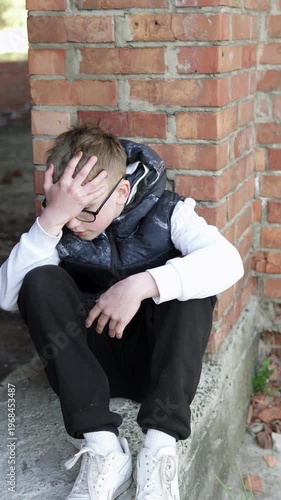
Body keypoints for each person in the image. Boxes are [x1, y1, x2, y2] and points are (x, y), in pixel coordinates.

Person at [0, 124, 244, 500]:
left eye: (86, 213)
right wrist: (48, 222)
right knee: (38, 281)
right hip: (88, 370)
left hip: (154, 368)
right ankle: (105, 452)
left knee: (193, 285)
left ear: (122, 192)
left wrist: (142, 284)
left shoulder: (168, 213)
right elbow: (7, 297)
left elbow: (229, 263)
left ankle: (158, 452)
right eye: (64, 210)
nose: (72, 224)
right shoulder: (58, 225)